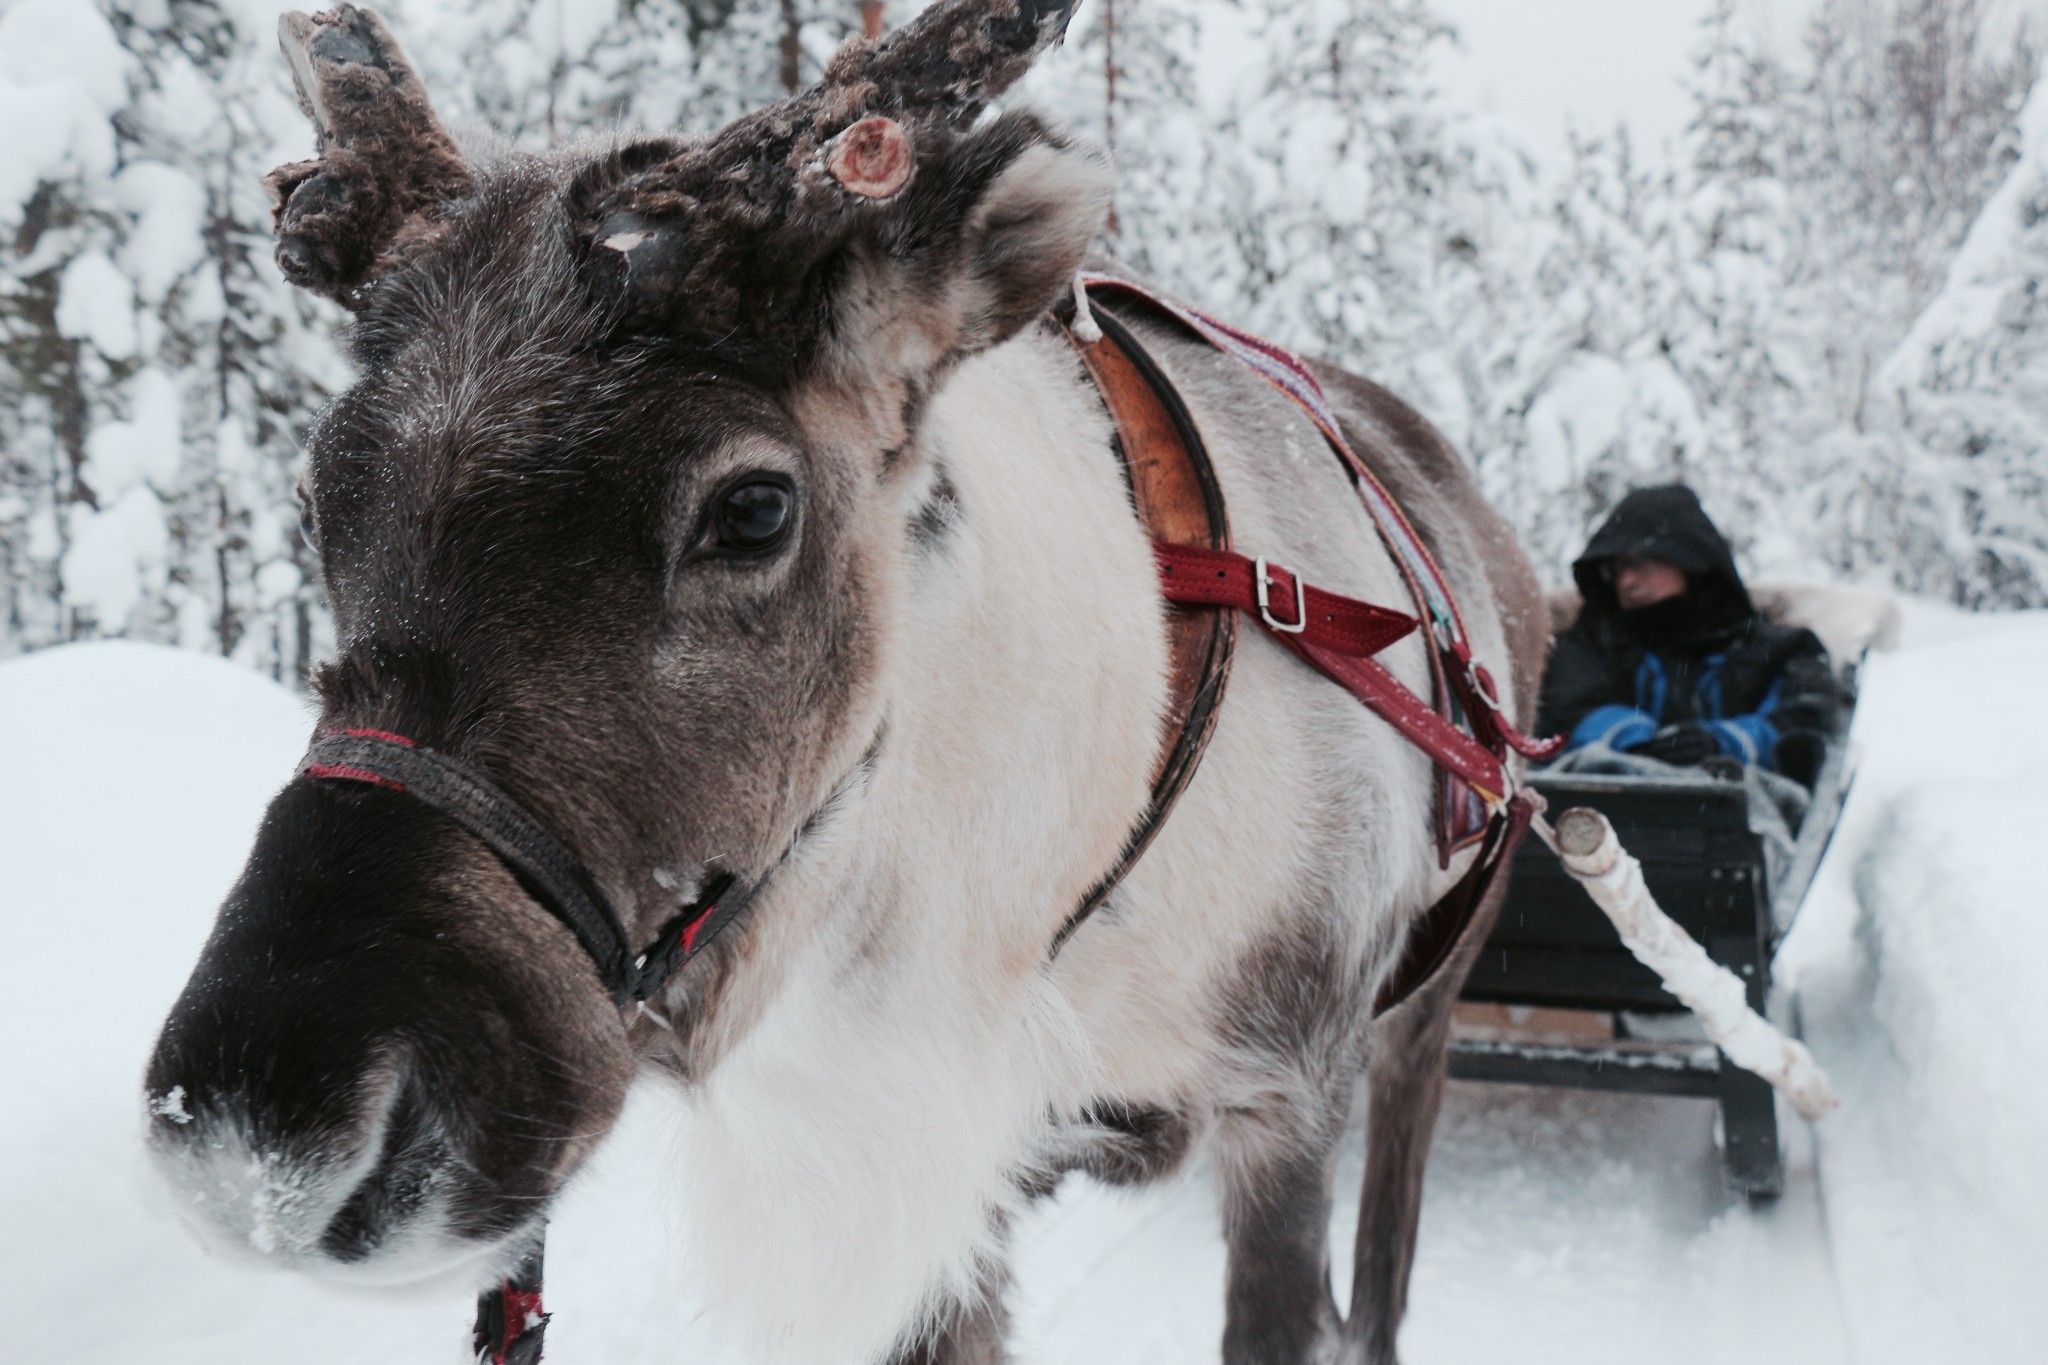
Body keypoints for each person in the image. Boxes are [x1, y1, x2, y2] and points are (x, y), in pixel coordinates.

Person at [1538, 485, 1841, 788]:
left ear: (1690, 561)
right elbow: (1568, 707)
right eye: (1616, 569)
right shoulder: (1587, 641)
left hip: (1736, 823)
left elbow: (1803, 725)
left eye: (1642, 563)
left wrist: (1722, 742)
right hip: (1600, 816)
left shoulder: (1783, 649)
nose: (1626, 581)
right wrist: (1631, 739)